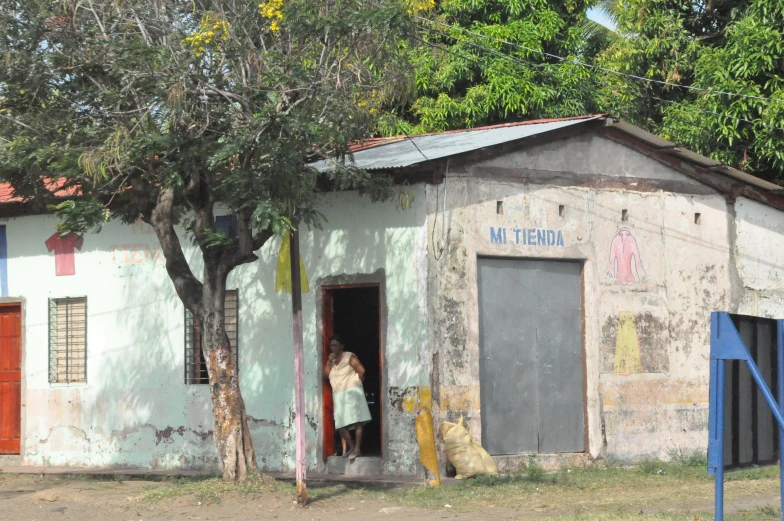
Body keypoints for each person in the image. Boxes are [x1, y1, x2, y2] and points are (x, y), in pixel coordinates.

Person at [324, 334, 371, 460]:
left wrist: (357, 386)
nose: (333, 348)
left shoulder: (349, 356)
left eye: (335, 345)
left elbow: (362, 371)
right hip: (338, 394)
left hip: (352, 392)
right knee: (340, 425)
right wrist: (329, 362)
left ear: (341, 346)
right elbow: (325, 375)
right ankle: (352, 446)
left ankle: (357, 449)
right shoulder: (332, 360)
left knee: (357, 421)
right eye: (331, 345)